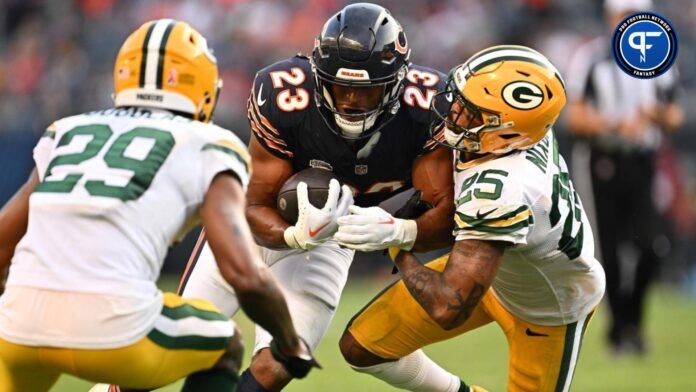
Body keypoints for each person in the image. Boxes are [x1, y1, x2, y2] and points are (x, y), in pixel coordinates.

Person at [0, 19, 316, 392]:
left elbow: (4, 243)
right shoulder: (209, 143)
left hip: (19, 328)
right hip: (114, 331)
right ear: (202, 86)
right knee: (225, 342)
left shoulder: (67, 130)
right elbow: (244, 275)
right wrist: (290, 342)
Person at [179, 3, 455, 390]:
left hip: (333, 236)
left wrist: (401, 231)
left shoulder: (428, 107)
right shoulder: (284, 93)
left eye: (366, 89)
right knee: (180, 343)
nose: (350, 101)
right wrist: (294, 236)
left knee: (281, 362)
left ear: (395, 82)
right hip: (251, 229)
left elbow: (449, 217)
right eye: (339, 85)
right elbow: (251, 204)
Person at [339, 45, 606, 392]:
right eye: (459, 97)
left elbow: (448, 306)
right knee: (363, 346)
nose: (453, 111)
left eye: (470, 111)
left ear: (505, 130)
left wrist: (396, 244)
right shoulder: (520, 130)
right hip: (491, 272)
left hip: (547, 312)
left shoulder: (504, 188)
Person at [565, 0, 683, 354]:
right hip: (603, 159)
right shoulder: (592, 58)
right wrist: (616, 125)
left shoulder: (659, 61)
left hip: (642, 161)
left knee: (652, 246)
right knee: (610, 251)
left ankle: (633, 321)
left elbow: (674, 115)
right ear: (611, 18)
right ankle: (619, 331)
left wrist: (656, 116)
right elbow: (575, 117)